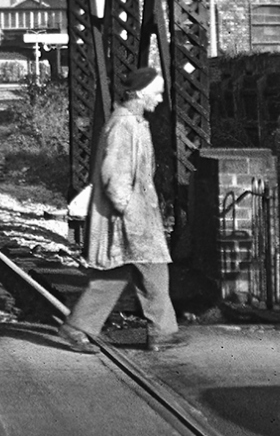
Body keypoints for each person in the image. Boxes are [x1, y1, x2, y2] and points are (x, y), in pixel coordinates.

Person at [56, 65, 186, 353]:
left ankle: (79, 327)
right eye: (157, 93)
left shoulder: (132, 122)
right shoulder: (124, 125)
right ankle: (161, 332)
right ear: (140, 93)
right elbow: (114, 173)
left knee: (116, 274)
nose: (160, 99)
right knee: (151, 270)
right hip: (128, 217)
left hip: (133, 214)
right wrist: (127, 208)